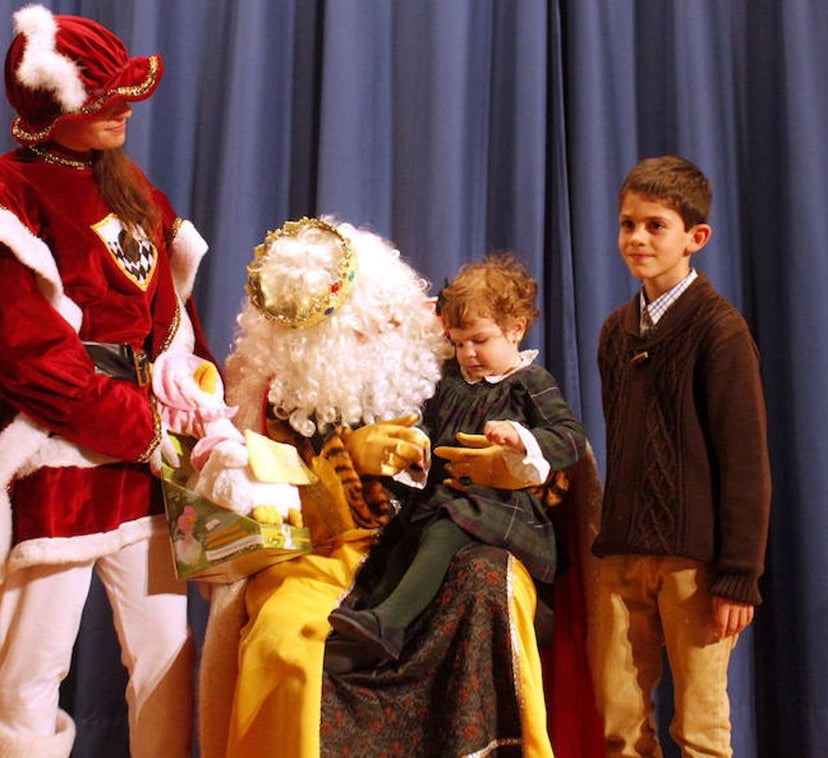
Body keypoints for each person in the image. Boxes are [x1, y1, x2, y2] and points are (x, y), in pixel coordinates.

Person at [0, 6, 211, 756]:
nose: (124, 112)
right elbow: (25, 355)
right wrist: (139, 430)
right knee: (33, 669)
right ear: (53, 103)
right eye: (104, 100)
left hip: (147, 461)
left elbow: (170, 319)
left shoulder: (131, 186)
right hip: (57, 454)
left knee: (169, 656)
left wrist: (192, 394)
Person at [198, 217, 558, 757]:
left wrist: (501, 467)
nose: (382, 333)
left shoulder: (452, 358)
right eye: (356, 332)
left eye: (384, 319)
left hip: (441, 537)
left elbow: (547, 460)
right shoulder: (281, 396)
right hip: (327, 557)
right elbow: (264, 509)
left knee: (491, 587)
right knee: (284, 638)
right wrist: (344, 462)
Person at [589, 155, 772, 757]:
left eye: (655, 225)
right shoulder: (617, 332)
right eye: (627, 224)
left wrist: (738, 576)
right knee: (620, 727)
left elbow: (745, 463)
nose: (637, 238)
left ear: (695, 238)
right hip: (622, 557)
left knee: (698, 729)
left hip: (694, 565)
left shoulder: (720, 331)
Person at [326, 253, 588, 669]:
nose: (468, 353)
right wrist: (416, 447)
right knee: (404, 540)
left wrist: (521, 438)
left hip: (503, 509)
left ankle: (390, 622)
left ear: (516, 329)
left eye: (480, 341)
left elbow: (570, 438)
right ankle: (368, 634)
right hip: (443, 500)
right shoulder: (450, 382)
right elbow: (428, 429)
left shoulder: (529, 383)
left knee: (446, 529)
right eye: (458, 342)